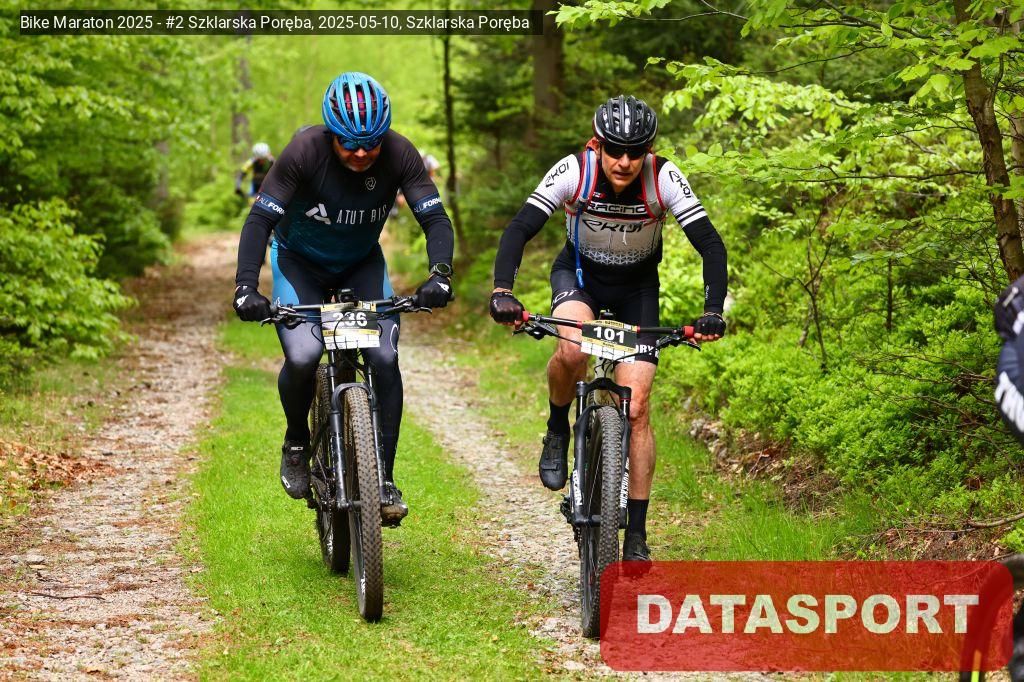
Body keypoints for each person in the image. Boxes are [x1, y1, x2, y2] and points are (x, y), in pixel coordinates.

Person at [488, 95, 727, 562]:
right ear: (597, 145)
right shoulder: (574, 171)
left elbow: (710, 244)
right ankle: (557, 428)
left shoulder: (663, 177)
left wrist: (712, 310)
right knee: (572, 350)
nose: (624, 162)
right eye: (614, 150)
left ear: (648, 151)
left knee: (637, 406)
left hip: (638, 290)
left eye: (635, 152)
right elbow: (519, 228)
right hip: (580, 280)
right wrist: (502, 291)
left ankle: (636, 534)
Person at [231, 72, 455, 524]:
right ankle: (297, 440)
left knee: (385, 358)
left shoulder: (400, 153)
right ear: (331, 134)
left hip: (360, 263)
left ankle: (384, 479)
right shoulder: (303, 152)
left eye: (371, 144)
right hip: (299, 263)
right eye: (350, 143)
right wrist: (245, 287)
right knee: (303, 356)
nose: (361, 153)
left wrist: (440, 275)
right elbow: (259, 222)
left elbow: (434, 219)